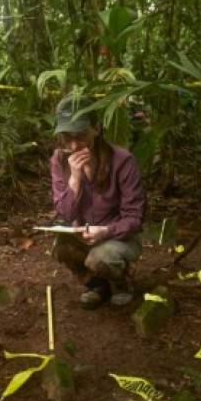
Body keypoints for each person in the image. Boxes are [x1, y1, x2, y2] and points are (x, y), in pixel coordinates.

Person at [49, 93, 146, 309]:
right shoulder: (59, 159)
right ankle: (96, 285)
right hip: (84, 235)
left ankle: (121, 283)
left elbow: (135, 218)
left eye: (80, 135)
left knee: (100, 257)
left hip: (121, 238)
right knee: (61, 247)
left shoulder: (122, 160)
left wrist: (105, 231)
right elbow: (65, 214)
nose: (73, 145)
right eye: (67, 137)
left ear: (96, 127)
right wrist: (74, 178)